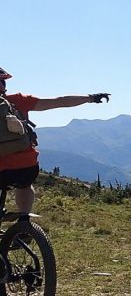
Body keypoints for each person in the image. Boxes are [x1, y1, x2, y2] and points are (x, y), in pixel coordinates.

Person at [0, 66, 110, 213]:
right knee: (25, 185)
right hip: (27, 167)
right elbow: (59, 101)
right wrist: (91, 98)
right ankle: (24, 221)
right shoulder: (19, 101)